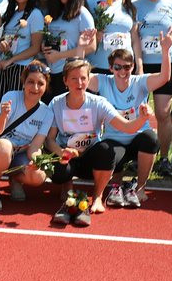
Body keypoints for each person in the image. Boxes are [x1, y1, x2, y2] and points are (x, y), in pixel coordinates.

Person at [42, 59, 152, 224]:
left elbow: (127, 127)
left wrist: (142, 118)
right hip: (67, 156)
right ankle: (67, 186)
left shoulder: (99, 103)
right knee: (57, 171)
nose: (79, 83)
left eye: (83, 78)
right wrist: (62, 152)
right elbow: (49, 140)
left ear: (88, 79)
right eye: (74, 78)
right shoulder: (56, 103)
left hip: (90, 158)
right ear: (65, 81)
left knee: (107, 149)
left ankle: (98, 197)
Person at [91, 28, 172, 209]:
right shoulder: (103, 81)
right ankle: (116, 186)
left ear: (132, 67)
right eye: (117, 67)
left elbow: (164, 77)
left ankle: (139, 188)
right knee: (106, 150)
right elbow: (81, 77)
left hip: (138, 138)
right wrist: (82, 48)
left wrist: (165, 50)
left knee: (151, 138)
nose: (122, 71)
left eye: (126, 67)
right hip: (114, 140)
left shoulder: (139, 82)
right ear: (110, 68)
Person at [0, 61, 53, 211]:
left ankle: (15, 179)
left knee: (39, 176)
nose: (35, 88)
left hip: (20, 153)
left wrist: (36, 162)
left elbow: (34, 147)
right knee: (4, 146)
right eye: (30, 82)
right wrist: (3, 115)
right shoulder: (11, 97)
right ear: (23, 82)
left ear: (46, 86)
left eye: (40, 83)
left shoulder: (47, 113)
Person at [134, 0, 172, 161]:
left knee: (163, 114)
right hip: (142, 66)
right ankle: (138, 157)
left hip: (165, 65)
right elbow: (134, 39)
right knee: (138, 113)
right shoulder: (135, 4)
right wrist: (138, 67)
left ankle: (164, 158)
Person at [0, 0, 45, 103]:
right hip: (4, 66)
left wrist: (12, 60)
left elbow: (35, 48)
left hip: (21, 69)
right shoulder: (13, 12)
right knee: (0, 107)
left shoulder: (35, 14)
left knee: (15, 108)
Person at [42, 0, 96, 98]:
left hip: (71, 73)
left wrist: (59, 56)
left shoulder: (82, 14)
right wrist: (44, 46)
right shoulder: (54, 12)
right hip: (52, 72)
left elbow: (91, 47)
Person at [87, 0, 140, 75]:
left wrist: (139, 66)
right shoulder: (91, 3)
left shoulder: (129, 7)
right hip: (98, 65)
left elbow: (135, 39)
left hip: (124, 67)